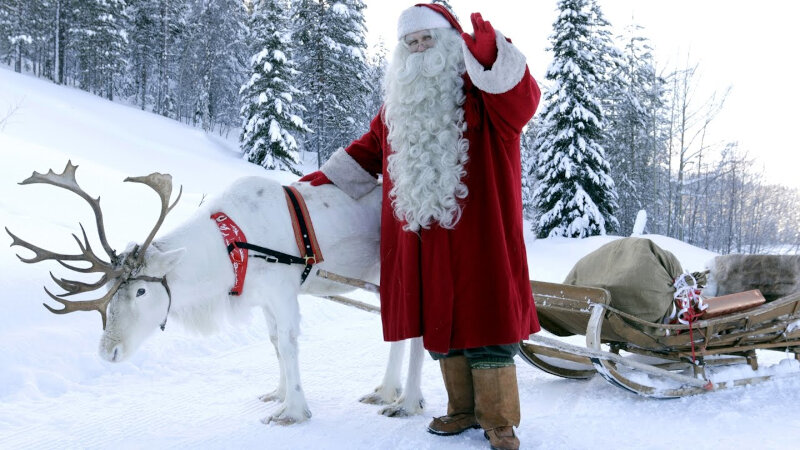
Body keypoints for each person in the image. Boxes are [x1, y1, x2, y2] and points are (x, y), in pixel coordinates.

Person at [300, 4, 540, 449]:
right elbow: (370, 150)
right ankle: (462, 410)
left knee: (487, 320)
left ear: (450, 42)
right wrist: (319, 179)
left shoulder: (484, 92)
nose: (418, 49)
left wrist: (492, 54)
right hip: (424, 237)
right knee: (442, 323)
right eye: (410, 43)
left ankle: (499, 420)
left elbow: (521, 101)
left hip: (480, 234)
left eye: (427, 39)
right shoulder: (400, 105)